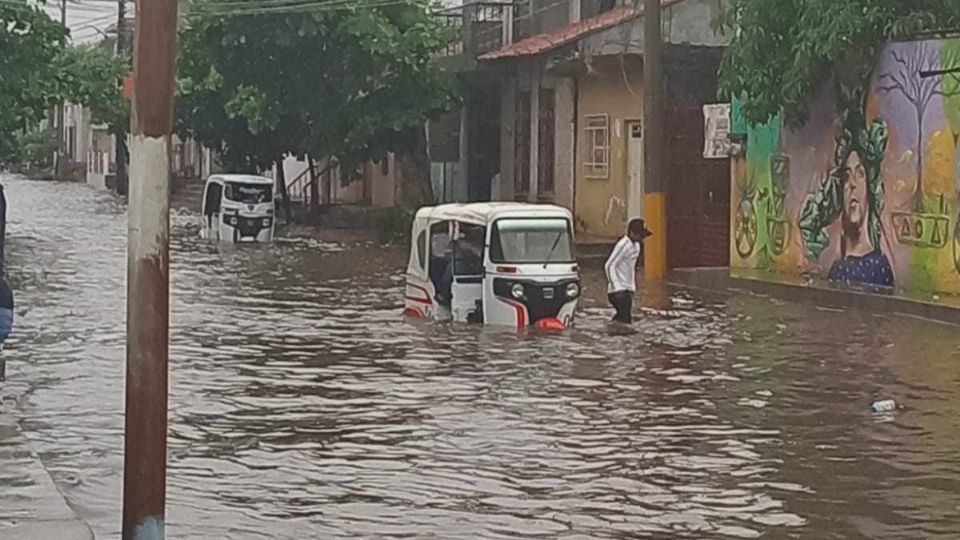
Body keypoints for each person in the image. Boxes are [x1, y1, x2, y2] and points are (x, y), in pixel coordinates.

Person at [605, 218, 652, 324]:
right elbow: (609, 265)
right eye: (640, 235)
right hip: (618, 291)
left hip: (628, 290)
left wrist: (632, 288)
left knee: (623, 318)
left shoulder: (637, 246)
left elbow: (630, 268)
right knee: (625, 319)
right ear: (632, 233)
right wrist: (617, 286)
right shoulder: (623, 245)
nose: (642, 238)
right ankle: (616, 336)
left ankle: (612, 331)